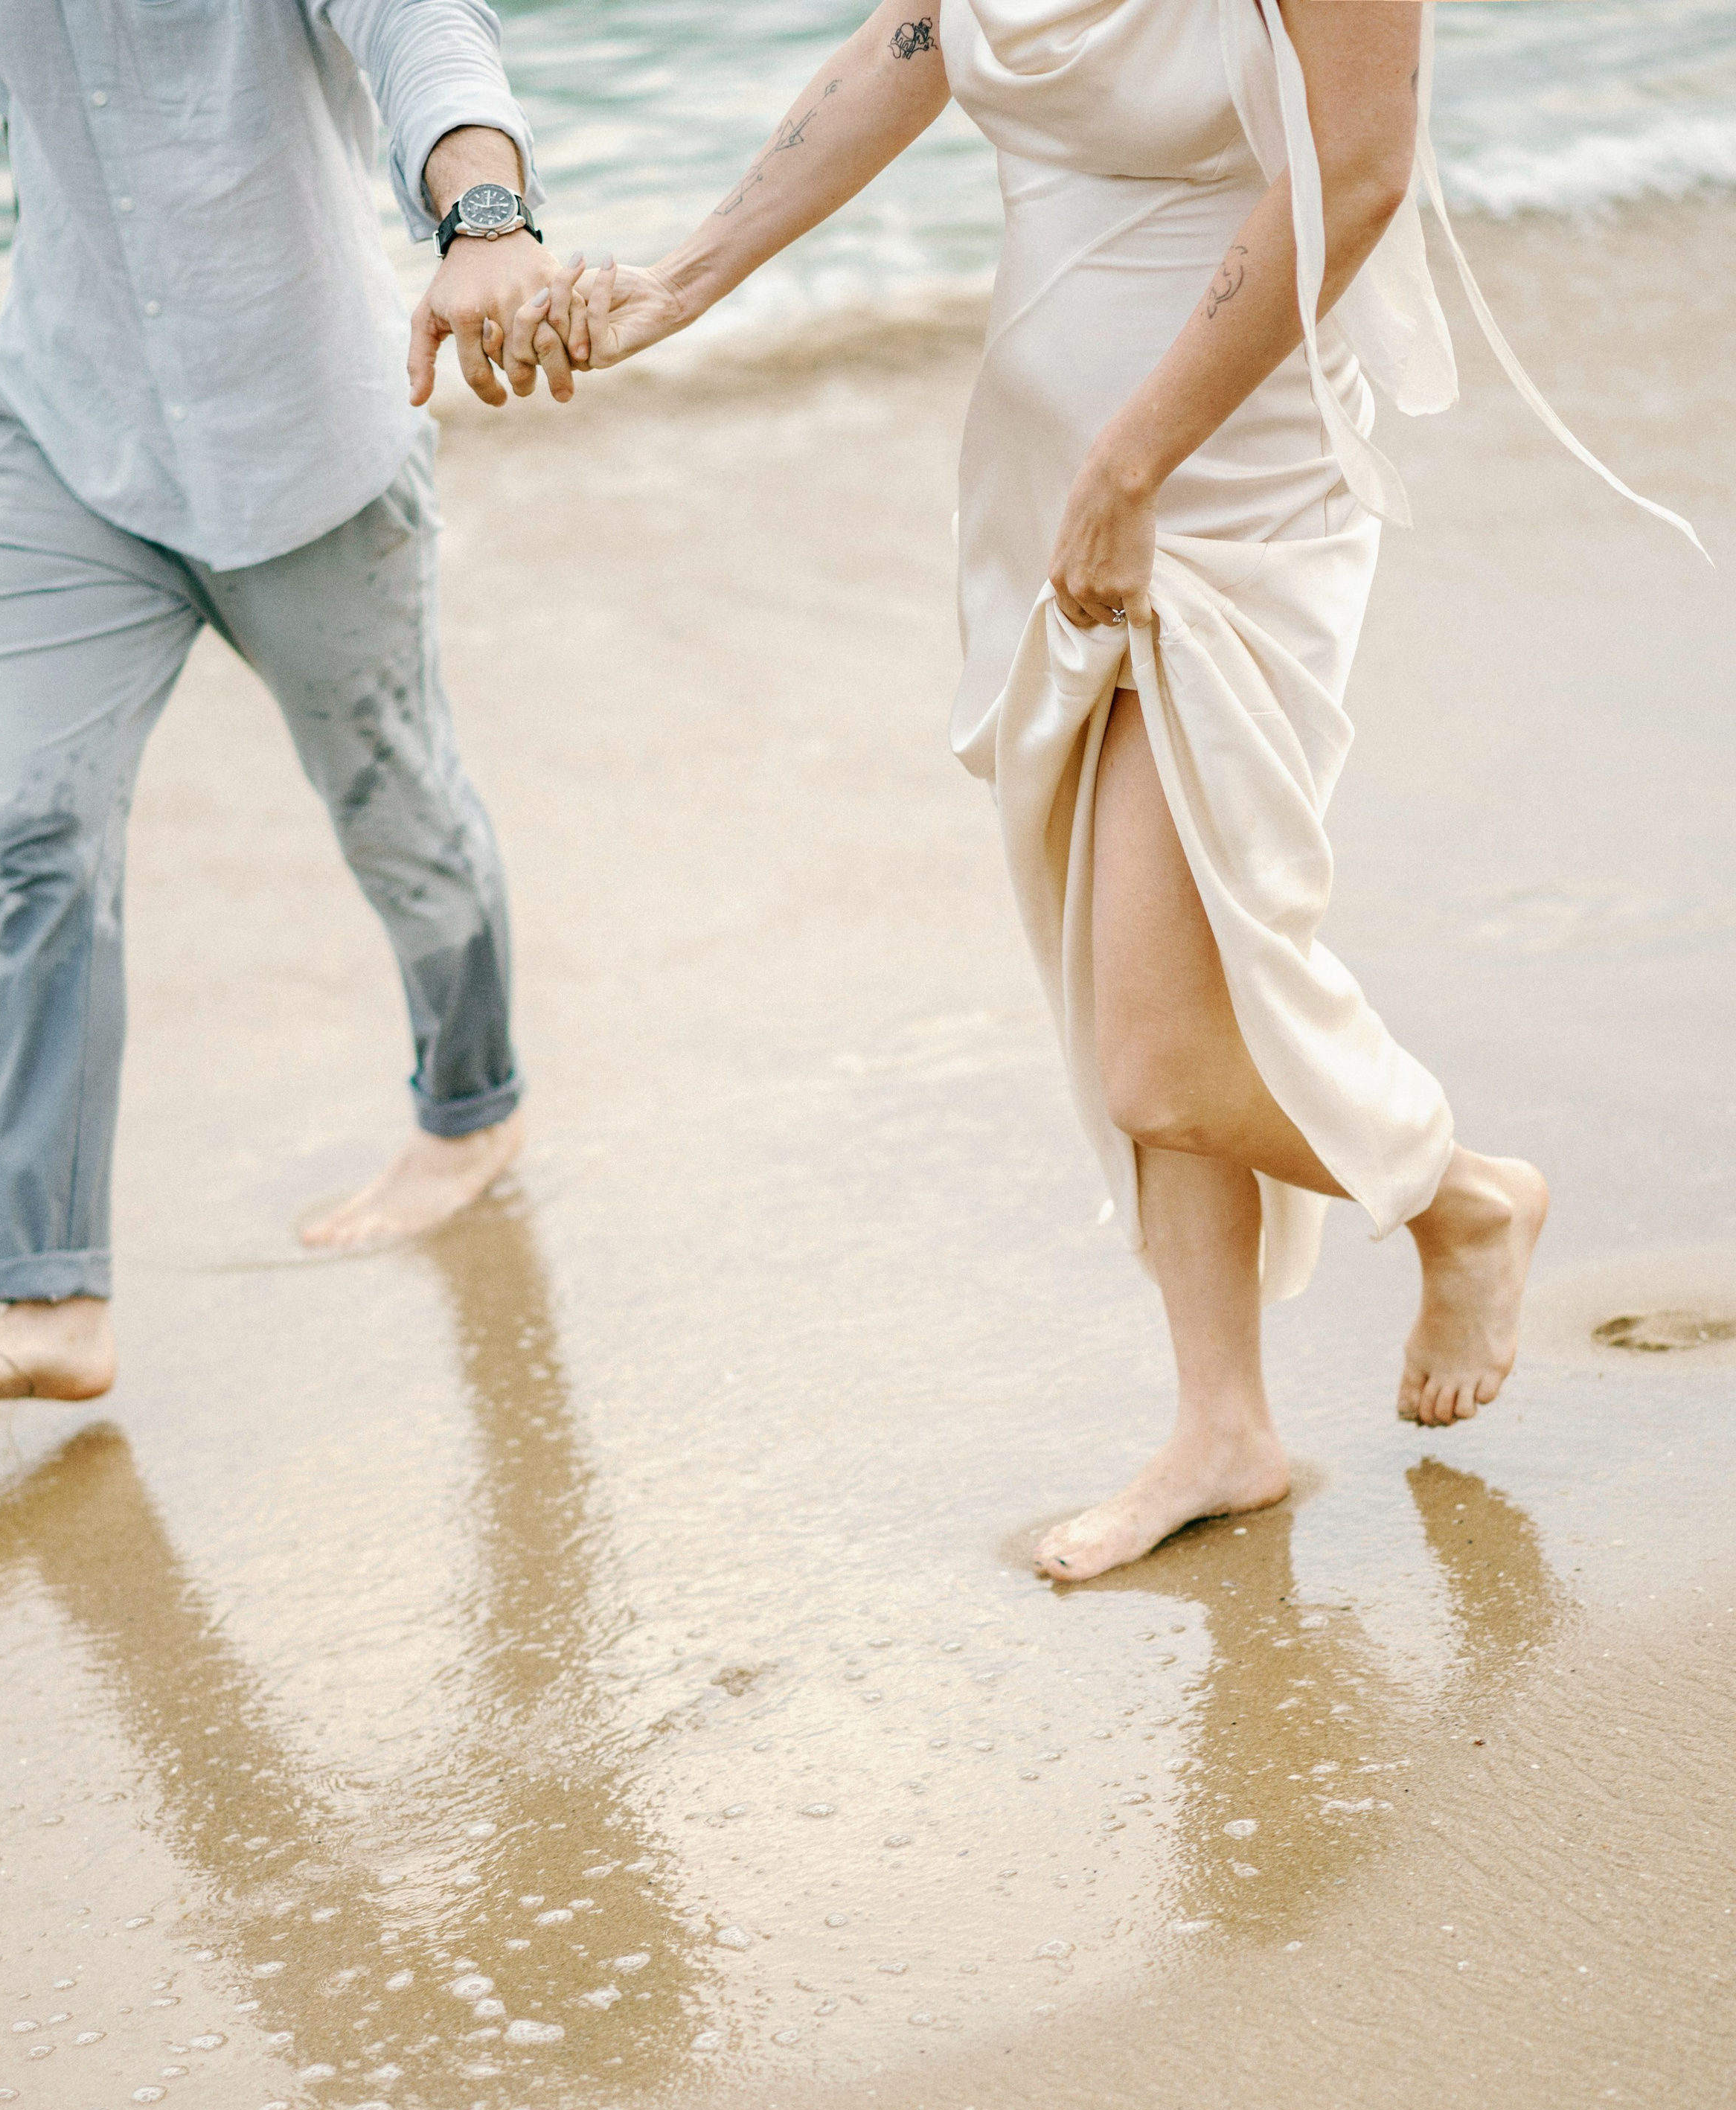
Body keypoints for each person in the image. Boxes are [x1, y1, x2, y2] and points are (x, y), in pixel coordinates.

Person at [524, 0, 1701, 1582]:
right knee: (1126, 935)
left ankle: (1458, 1196)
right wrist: (680, 280)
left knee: (1153, 1052)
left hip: (1222, 481)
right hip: (1052, 488)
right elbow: (914, 43)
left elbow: (1354, 174)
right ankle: (1221, 1428)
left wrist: (1134, 463)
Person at [0, 0, 583, 1411]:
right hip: (70, 439)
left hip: (309, 443)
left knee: (400, 813)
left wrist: (488, 222)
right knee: (40, 832)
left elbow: (420, 31)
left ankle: (471, 1112)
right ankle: (51, 1295)